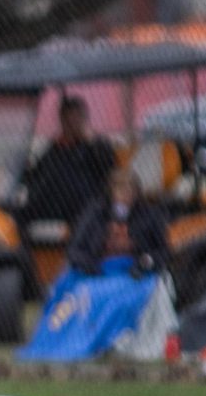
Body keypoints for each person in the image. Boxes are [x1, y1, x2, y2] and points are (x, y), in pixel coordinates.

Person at [21, 95, 117, 227]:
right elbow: (34, 177)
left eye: (77, 118)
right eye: (68, 118)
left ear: (85, 119)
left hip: (80, 208)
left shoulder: (95, 146)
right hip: (46, 206)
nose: (72, 123)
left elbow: (110, 169)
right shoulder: (54, 148)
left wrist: (92, 140)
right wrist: (24, 169)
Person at [67, 168, 170, 279]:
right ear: (111, 191)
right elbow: (74, 250)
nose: (126, 194)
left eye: (130, 190)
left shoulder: (150, 215)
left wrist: (146, 262)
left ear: (137, 193)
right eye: (121, 189)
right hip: (98, 271)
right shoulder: (95, 214)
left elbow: (163, 252)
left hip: (135, 273)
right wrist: (92, 267)